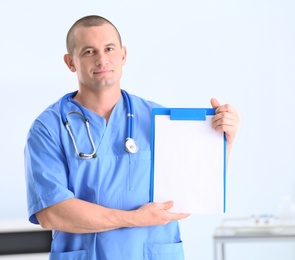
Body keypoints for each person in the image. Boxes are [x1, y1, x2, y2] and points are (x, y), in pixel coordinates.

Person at [24, 15, 239, 260]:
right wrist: (135, 219)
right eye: (88, 51)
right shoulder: (49, 128)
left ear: (123, 54)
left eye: (109, 49)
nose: (102, 59)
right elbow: (52, 213)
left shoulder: (160, 120)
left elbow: (198, 189)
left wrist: (225, 140)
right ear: (70, 62)